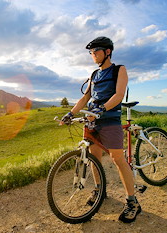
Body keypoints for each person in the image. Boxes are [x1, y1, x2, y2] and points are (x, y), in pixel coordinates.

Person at [60, 36, 141, 223]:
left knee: (117, 158)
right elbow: (85, 97)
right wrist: (70, 113)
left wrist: (102, 109)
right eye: (91, 52)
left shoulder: (119, 70)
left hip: (109, 120)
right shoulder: (94, 75)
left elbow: (119, 94)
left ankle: (132, 201)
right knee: (93, 159)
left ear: (107, 52)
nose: (93, 55)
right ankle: (99, 190)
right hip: (92, 121)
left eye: (96, 51)